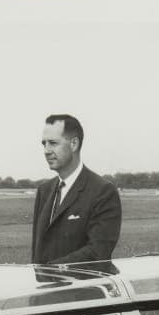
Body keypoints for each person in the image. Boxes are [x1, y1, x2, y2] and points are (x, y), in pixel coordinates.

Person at [31, 114, 122, 266]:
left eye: (53, 143)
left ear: (74, 144)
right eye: (44, 144)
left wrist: (49, 272)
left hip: (83, 288)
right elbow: (37, 252)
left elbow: (98, 252)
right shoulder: (44, 191)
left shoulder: (103, 192)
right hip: (46, 289)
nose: (46, 150)